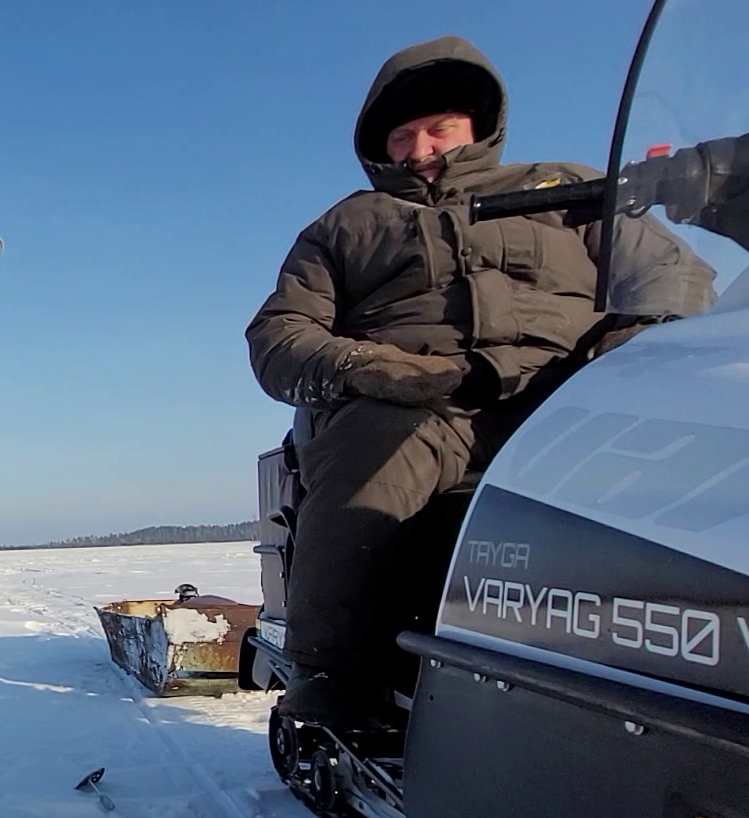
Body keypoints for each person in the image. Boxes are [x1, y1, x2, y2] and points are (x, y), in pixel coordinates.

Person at [245, 35, 716, 731]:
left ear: (478, 125)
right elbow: (280, 336)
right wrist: (377, 369)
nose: (423, 147)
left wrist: (628, 351)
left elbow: (672, 279)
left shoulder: (569, 189)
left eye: (439, 128)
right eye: (403, 136)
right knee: (373, 467)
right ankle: (335, 674)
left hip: (569, 390)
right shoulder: (346, 226)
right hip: (416, 403)